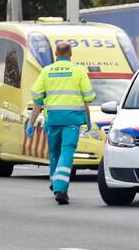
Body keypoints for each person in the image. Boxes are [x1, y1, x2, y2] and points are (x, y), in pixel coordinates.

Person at [26, 41, 95, 205]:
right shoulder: (78, 71)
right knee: (67, 153)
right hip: (72, 120)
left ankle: (56, 183)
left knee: (55, 153)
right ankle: (59, 187)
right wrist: (88, 120)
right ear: (70, 54)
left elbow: (37, 100)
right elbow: (89, 97)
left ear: (56, 55)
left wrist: (31, 122)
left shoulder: (46, 71)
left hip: (53, 120)